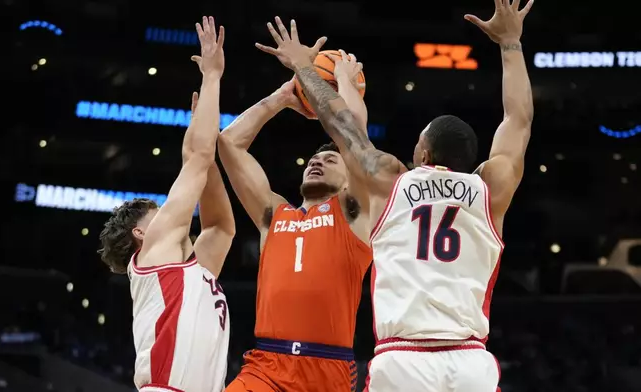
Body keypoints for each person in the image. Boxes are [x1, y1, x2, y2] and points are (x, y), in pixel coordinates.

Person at [257, 1, 534, 390]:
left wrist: (305, 68)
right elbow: (518, 121)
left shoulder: (390, 180)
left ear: (422, 153)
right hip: (470, 359)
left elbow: (340, 123)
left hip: (403, 358)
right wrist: (510, 43)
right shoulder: (491, 187)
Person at [219, 28, 371, 392]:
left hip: (327, 369)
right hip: (265, 366)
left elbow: (355, 136)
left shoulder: (354, 213)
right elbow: (229, 145)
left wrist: (341, 81)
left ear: (350, 177)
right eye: (313, 159)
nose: (316, 163)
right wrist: (281, 98)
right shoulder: (275, 215)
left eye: (330, 158)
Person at [97, 17, 234, 392]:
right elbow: (199, 156)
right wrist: (211, 76)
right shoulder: (155, 250)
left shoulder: (190, 269)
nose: (171, 210)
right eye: (157, 211)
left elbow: (221, 227)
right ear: (142, 232)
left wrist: (204, 151)